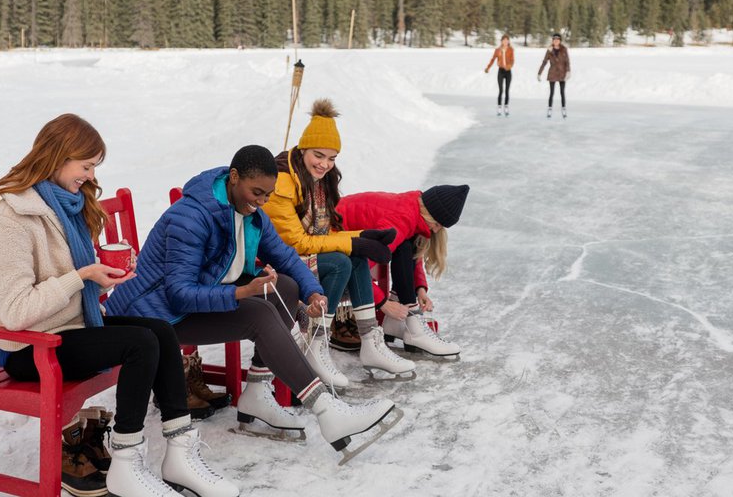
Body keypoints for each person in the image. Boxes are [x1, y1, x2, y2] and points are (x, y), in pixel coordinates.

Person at [0, 114, 238, 497]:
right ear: (58, 157)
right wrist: (81, 277)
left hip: (70, 328)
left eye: (94, 167)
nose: (89, 175)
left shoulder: (62, 207)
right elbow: (16, 312)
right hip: (31, 348)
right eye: (86, 166)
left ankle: (180, 453)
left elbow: (67, 284)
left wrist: (99, 278)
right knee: (139, 344)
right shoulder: (11, 220)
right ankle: (127, 465)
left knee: (159, 331)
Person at [103, 145, 401, 457]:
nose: (261, 202)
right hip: (150, 314)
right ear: (234, 178)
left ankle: (257, 392)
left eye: (267, 195)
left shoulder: (249, 212)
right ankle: (328, 411)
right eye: (256, 192)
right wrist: (240, 293)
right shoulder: (191, 218)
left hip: (184, 304)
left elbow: (284, 255)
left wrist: (313, 292)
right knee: (257, 313)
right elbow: (179, 293)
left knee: (284, 287)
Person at [263, 99, 416, 384]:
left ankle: (371, 342)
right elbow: (296, 242)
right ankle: (315, 343)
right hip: (276, 261)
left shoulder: (318, 180)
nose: (325, 164)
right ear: (303, 149)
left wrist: (362, 237)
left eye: (332, 158)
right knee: (338, 263)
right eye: (319, 155)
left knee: (353, 258)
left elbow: (323, 235)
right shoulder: (283, 182)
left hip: (302, 255)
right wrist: (353, 243)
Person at [336, 185, 469, 358]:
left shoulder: (412, 208)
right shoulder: (401, 218)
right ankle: (414, 329)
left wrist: (419, 288)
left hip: (351, 233)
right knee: (403, 245)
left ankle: (399, 323)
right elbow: (357, 271)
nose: (436, 230)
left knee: (406, 245)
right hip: (332, 231)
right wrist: (383, 303)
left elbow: (414, 250)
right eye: (436, 224)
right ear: (428, 212)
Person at [537, 33, 571, 119]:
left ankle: (563, 109)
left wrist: (568, 71)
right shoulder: (549, 50)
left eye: (557, 39)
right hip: (552, 73)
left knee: (562, 92)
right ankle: (550, 109)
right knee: (551, 93)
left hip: (562, 73)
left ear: (560, 41)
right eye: (554, 39)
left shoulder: (564, 49)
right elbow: (544, 62)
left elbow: (567, 61)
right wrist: (539, 73)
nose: (556, 41)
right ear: (553, 41)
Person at [485, 34, 515, 117]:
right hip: (501, 71)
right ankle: (499, 107)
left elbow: (512, 60)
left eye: (507, 40)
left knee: (507, 91)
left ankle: (506, 107)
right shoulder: (498, 50)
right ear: (501, 41)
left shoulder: (511, 50)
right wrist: (488, 68)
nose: (505, 42)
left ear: (508, 41)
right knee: (501, 90)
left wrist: (509, 66)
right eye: (504, 40)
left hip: (508, 71)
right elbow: (493, 59)